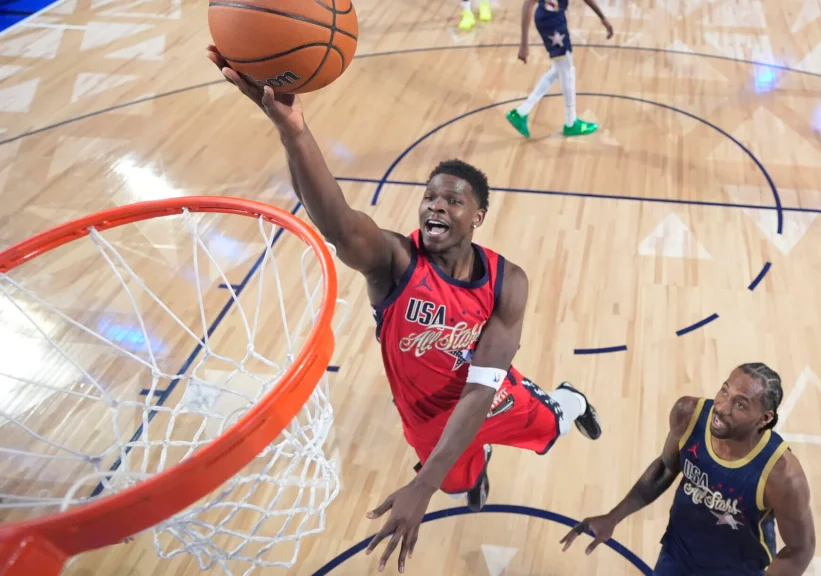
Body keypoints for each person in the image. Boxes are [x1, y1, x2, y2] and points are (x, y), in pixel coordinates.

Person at [207, 46, 603, 574]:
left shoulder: (508, 282)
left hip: (489, 396)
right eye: (430, 196)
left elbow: (481, 389)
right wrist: (293, 132)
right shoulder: (394, 262)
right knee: (458, 482)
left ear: (478, 216)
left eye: (453, 200)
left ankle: (571, 399)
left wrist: (421, 484)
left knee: (553, 426)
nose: (437, 205)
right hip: (425, 418)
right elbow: (339, 224)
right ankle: (472, 462)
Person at [560, 363, 815, 575]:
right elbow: (665, 469)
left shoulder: (782, 475)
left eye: (740, 405)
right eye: (724, 391)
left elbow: (800, 550)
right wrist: (613, 516)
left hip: (738, 569)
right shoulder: (689, 415)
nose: (722, 408)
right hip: (677, 554)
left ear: (765, 418)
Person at [506, 0, 613, 138]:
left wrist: (602, 17)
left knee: (559, 69)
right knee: (567, 70)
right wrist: (524, 44)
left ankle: (521, 112)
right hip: (551, 22)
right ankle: (571, 123)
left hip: (556, 18)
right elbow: (528, 4)